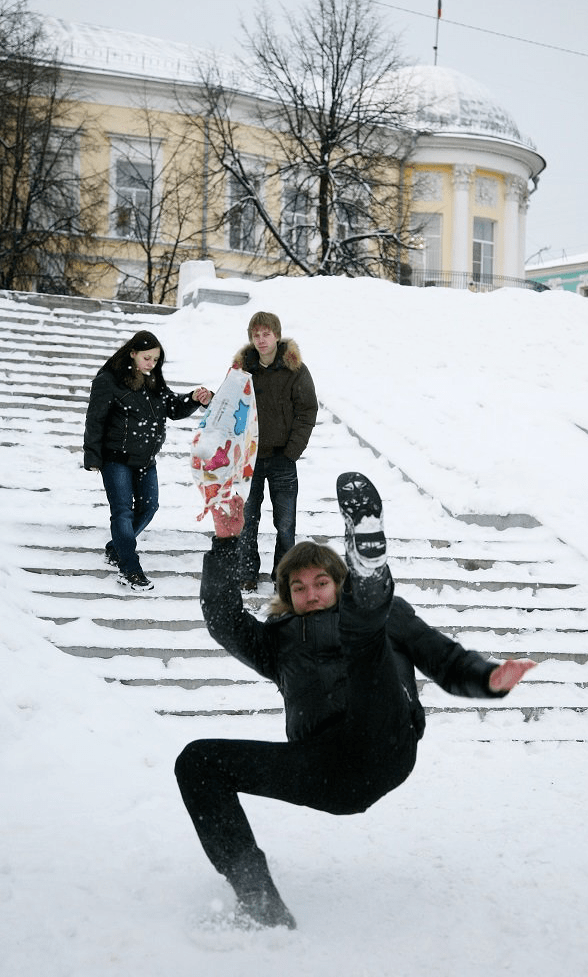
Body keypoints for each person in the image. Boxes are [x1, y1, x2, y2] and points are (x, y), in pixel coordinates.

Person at [175, 472, 536, 930]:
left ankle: (371, 571)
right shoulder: (277, 642)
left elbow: (444, 660)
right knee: (198, 762)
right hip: (325, 771)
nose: (311, 594)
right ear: (288, 596)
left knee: (366, 633)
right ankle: (259, 903)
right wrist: (226, 541)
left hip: (384, 742)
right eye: (299, 588)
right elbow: (223, 619)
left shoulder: (388, 617)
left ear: (338, 581)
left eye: (321, 582)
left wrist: (489, 680)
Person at [83, 330, 213, 591]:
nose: (151, 364)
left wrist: (193, 398)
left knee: (149, 507)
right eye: (147, 358)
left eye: (155, 359)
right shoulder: (109, 381)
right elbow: (95, 420)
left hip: (145, 460)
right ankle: (130, 568)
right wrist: (93, 457)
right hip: (115, 459)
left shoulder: (154, 382)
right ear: (132, 353)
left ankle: (117, 546)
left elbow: (173, 407)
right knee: (122, 511)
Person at [231, 311, 317, 592]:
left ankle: (282, 575)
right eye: (256, 335)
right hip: (250, 459)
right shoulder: (241, 370)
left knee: (285, 523)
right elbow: (228, 407)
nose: (261, 339)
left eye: (266, 333)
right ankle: (246, 573)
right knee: (246, 520)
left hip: (282, 459)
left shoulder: (295, 370)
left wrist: (292, 451)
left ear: (277, 335)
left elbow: (307, 410)